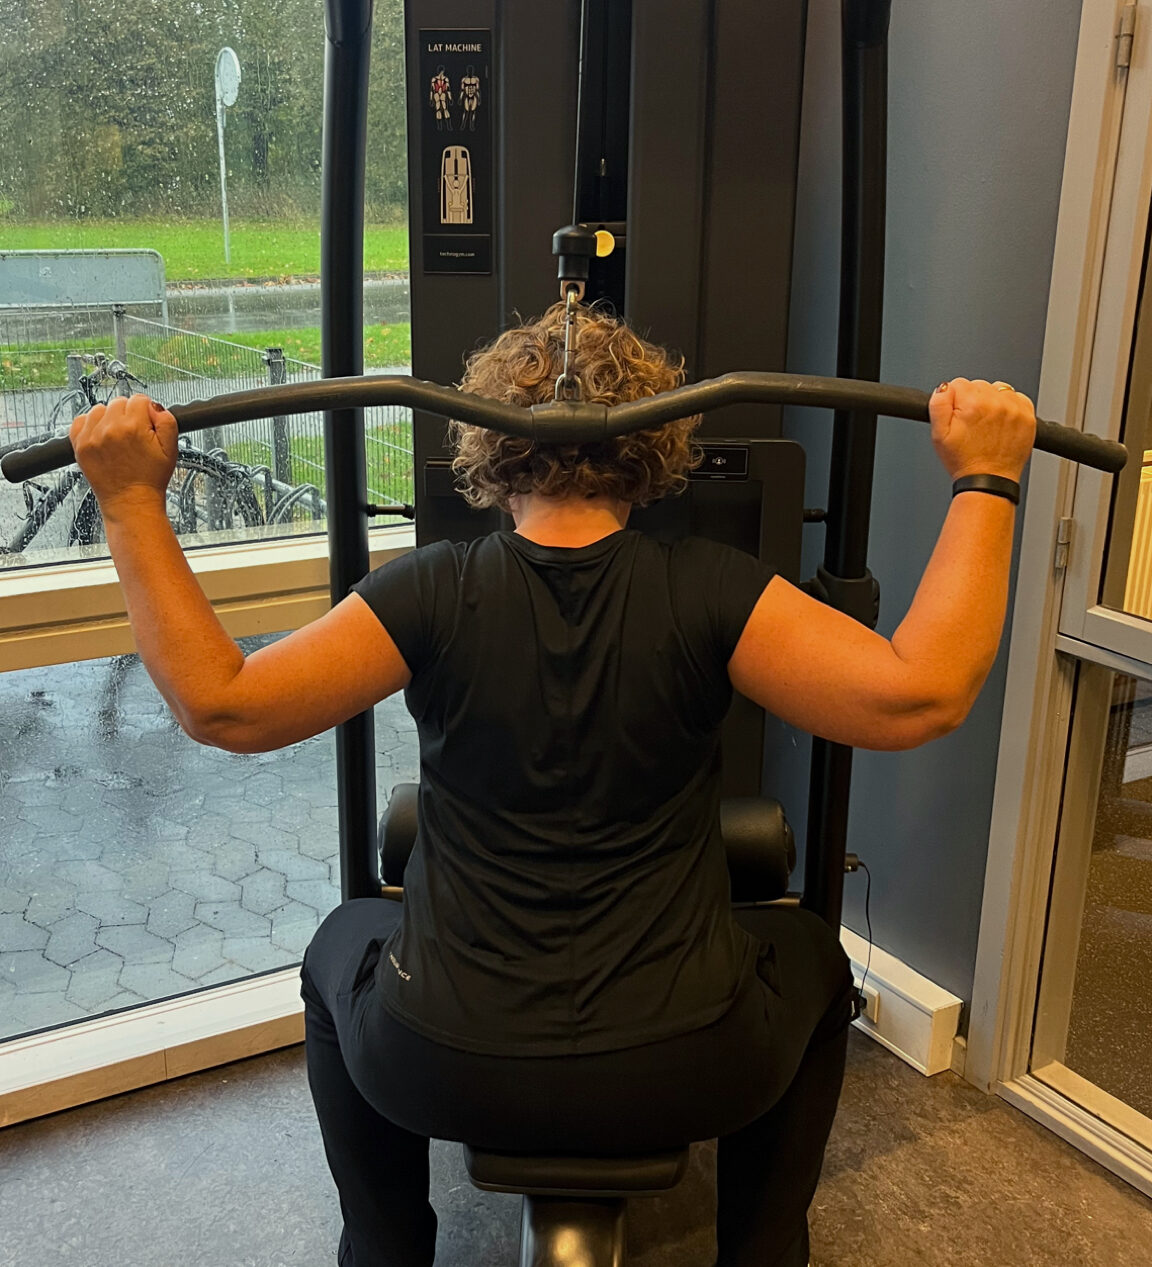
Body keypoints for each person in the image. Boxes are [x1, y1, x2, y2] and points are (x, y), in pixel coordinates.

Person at [69, 301, 1036, 1267]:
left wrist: (128, 501)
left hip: (438, 1060)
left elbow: (224, 706)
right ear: (653, 447)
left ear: (490, 450)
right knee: (813, 955)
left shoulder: (429, 588)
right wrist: (986, 480)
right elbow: (922, 695)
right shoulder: (715, 588)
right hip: (691, 1064)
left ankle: (384, 1250)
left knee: (342, 940)